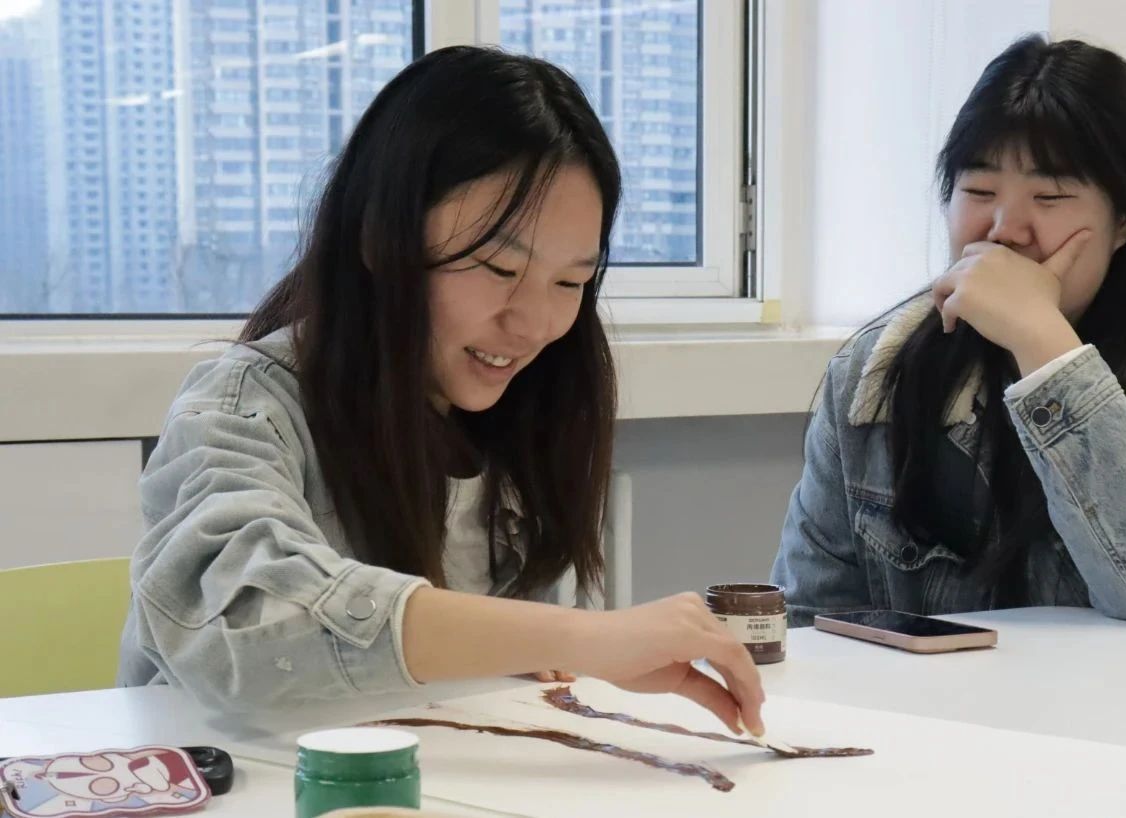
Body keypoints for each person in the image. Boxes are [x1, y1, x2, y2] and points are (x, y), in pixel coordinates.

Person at [118, 45, 764, 736]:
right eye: (498, 268)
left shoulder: (532, 414)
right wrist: (580, 636)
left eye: (570, 282)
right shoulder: (245, 406)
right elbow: (240, 627)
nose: (534, 323)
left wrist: (559, 645)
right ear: (380, 238)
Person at [773, 35, 1126, 625]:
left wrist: (1045, 346)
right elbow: (810, 623)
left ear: (1123, 221)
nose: (1006, 229)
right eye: (978, 191)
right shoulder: (877, 370)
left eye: (1050, 196)